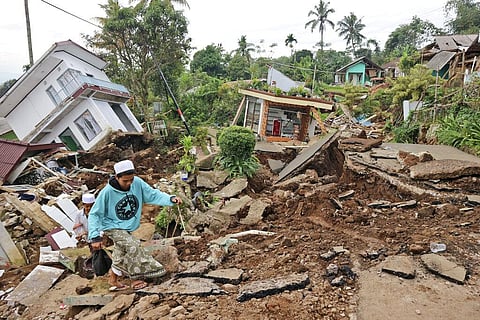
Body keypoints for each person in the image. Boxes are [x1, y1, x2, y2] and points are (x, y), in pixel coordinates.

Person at [88, 159, 182, 291]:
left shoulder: (137, 183)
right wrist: (95, 236)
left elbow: (152, 194)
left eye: (131, 180)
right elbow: (95, 214)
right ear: (116, 177)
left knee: (121, 252)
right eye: (125, 181)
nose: (129, 183)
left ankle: (113, 279)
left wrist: (170, 199)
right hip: (112, 226)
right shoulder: (107, 192)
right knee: (133, 246)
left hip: (127, 225)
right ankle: (136, 278)